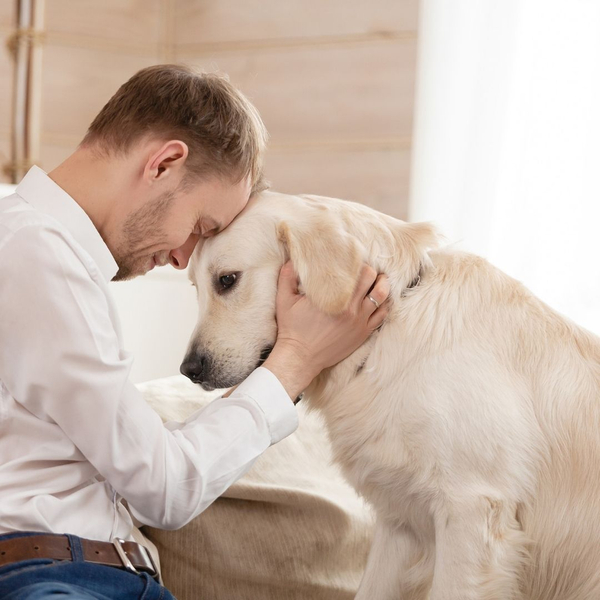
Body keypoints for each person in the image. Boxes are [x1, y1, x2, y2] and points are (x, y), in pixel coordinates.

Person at [0, 64, 389, 599]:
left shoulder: (42, 256)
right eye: (202, 227)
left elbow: (140, 471)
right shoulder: (33, 254)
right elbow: (165, 488)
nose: (184, 255)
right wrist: (296, 360)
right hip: (59, 580)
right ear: (164, 163)